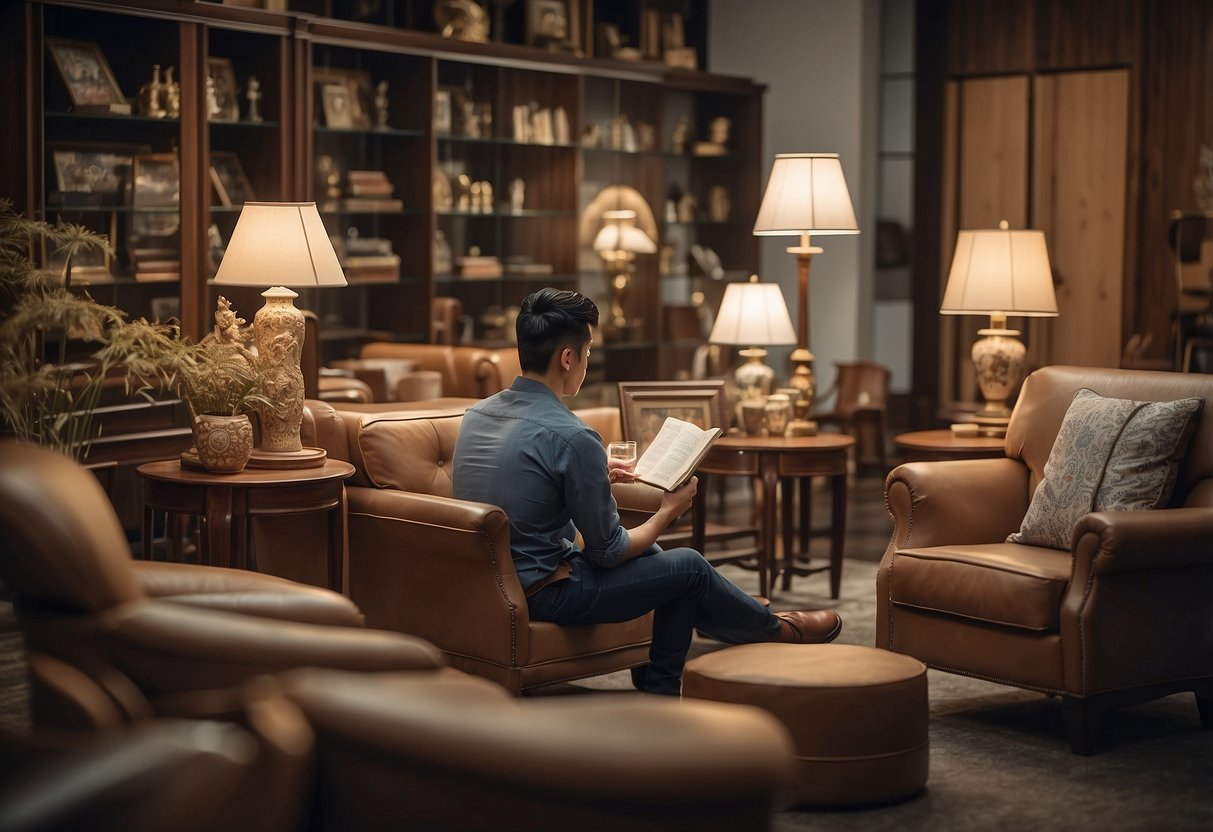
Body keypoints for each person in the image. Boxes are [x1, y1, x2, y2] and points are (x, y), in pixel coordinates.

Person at [452, 288, 842, 696]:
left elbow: (524, 481)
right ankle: (768, 630)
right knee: (689, 566)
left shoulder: (476, 415)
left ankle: (699, 642)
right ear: (568, 358)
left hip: (491, 584)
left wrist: (595, 474)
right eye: (587, 352)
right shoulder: (572, 435)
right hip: (545, 593)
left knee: (659, 560)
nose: (586, 362)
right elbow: (608, 552)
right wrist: (668, 510)